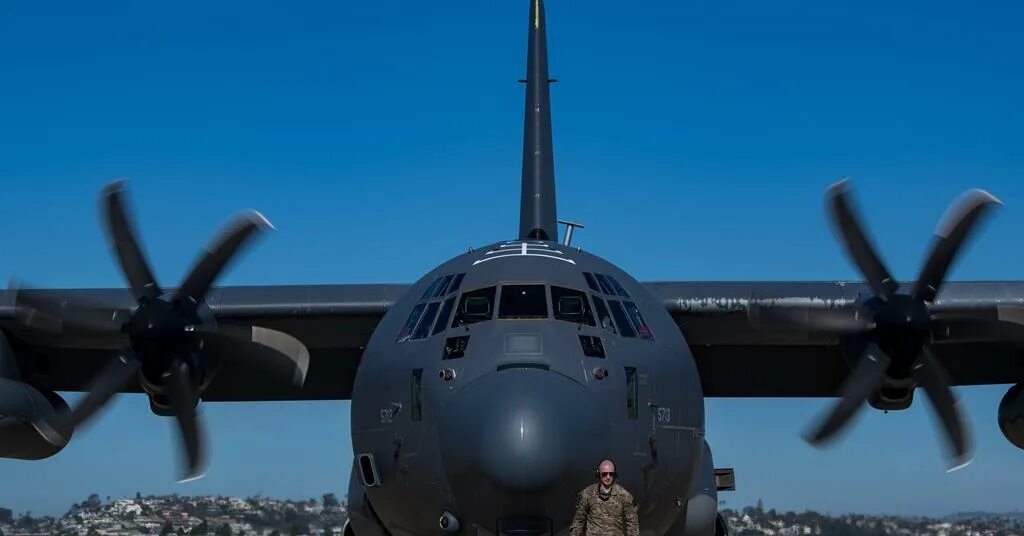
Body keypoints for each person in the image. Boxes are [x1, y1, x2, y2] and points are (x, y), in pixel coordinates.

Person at [570, 459, 640, 536]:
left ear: (615, 474)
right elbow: (578, 522)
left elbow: (632, 525)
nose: (608, 477)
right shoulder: (587, 494)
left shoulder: (625, 496)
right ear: (598, 474)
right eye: (604, 474)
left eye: (611, 474)